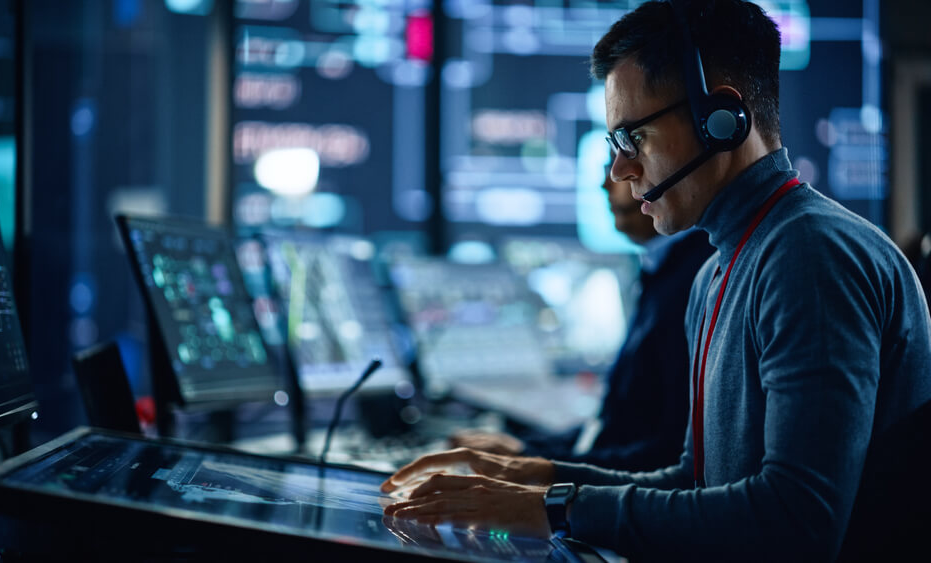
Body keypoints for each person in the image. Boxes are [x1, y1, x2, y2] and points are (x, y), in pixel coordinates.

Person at [380, 1, 931, 561]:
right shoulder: (720, 268)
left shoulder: (810, 258)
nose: (620, 171)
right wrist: (536, 476)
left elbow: (796, 521)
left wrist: (555, 509)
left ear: (721, 118)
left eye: (633, 139)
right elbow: (698, 483)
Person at [451, 166, 714, 472]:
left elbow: (666, 457)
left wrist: (536, 467)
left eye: (630, 156)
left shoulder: (696, 279)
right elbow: (618, 430)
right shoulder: (664, 270)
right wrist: (529, 451)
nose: (606, 183)